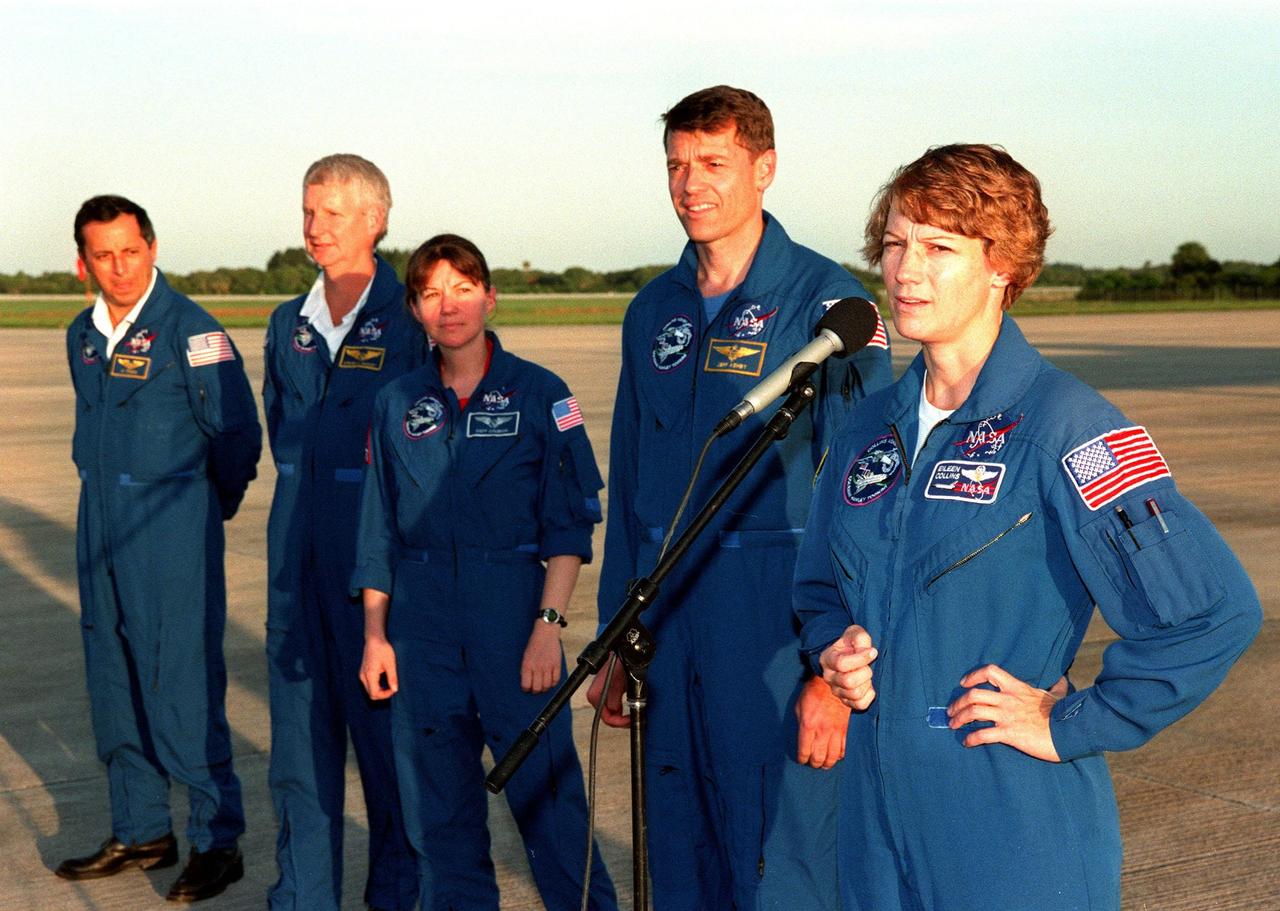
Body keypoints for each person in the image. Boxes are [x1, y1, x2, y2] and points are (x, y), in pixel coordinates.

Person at [794, 144, 1262, 911]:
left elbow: (1215, 613)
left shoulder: (1066, 426)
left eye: (938, 247)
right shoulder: (865, 431)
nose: (906, 270)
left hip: (1007, 822)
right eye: (894, 243)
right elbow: (818, 586)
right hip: (874, 823)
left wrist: (1075, 720)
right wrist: (834, 648)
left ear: (1002, 267)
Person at [588, 85, 894, 909]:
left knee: (777, 861)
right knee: (678, 849)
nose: (691, 184)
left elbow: (869, 508)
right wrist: (618, 629)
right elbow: (633, 483)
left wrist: (830, 677)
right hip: (666, 620)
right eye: (677, 165)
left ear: (764, 168)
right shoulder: (652, 310)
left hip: (775, 627)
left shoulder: (836, 310)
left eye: (714, 163)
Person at [354, 234, 618, 910]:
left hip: (513, 620)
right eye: (432, 292)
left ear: (490, 296)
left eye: (463, 288)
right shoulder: (394, 404)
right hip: (421, 631)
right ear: (414, 308)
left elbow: (569, 525)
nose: (449, 305)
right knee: (439, 823)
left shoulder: (540, 394)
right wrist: (376, 636)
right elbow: (377, 528)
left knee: (551, 810)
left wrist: (547, 627)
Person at [57, 195, 261, 903]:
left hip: (169, 526)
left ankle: (218, 837)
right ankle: (142, 826)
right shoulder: (82, 334)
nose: (118, 267)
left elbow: (237, 435)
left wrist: (204, 507)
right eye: (103, 255)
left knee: (179, 679)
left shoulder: (192, 331)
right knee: (113, 676)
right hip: (100, 524)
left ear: (152, 246)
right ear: (82, 262)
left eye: (130, 250)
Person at [262, 154, 423, 911]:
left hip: (375, 570)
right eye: (307, 211)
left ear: (376, 219)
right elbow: (279, 436)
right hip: (295, 566)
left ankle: (398, 896)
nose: (313, 227)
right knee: (297, 753)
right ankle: (302, 897)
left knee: (391, 758)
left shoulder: (413, 320)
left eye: (330, 212)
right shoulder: (286, 324)